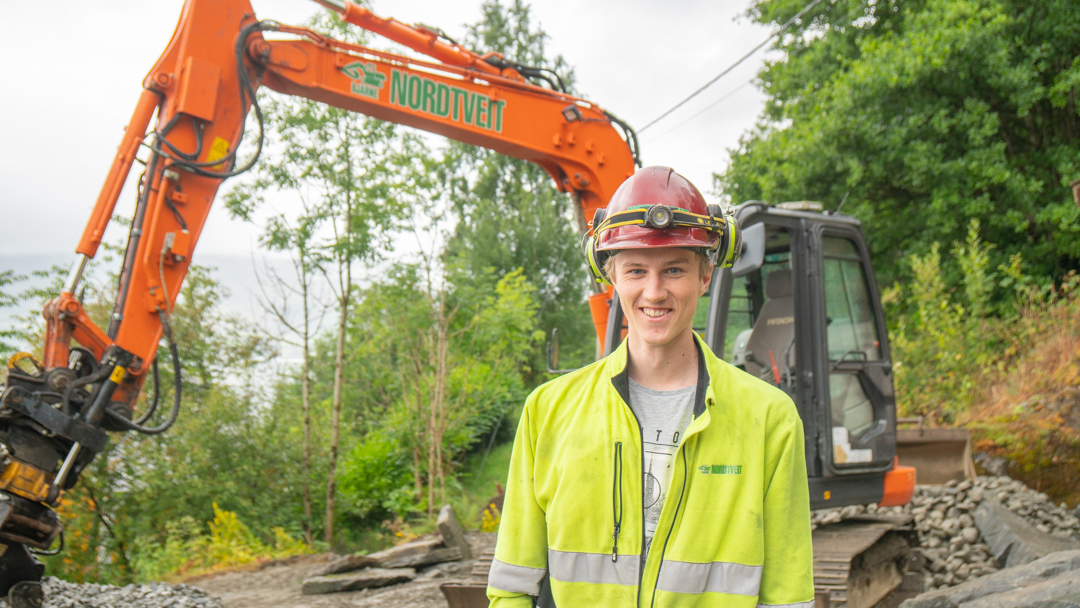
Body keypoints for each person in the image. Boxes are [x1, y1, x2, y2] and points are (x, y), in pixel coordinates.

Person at [486, 166, 814, 608]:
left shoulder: (769, 419)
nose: (654, 292)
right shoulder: (547, 411)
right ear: (611, 279)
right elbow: (512, 587)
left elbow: (787, 598)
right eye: (636, 270)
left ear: (705, 277)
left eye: (674, 270)